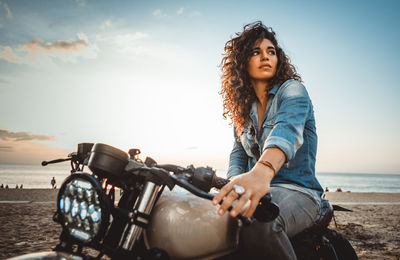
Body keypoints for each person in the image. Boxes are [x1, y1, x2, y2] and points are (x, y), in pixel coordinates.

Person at [212, 22, 323, 259]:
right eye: (256, 52)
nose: (265, 57)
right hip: (259, 190)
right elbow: (238, 154)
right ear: (243, 62)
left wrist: (262, 171)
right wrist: (232, 183)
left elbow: (287, 131)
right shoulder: (243, 111)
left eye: (271, 51)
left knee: (259, 223)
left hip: (298, 191)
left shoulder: (292, 90)